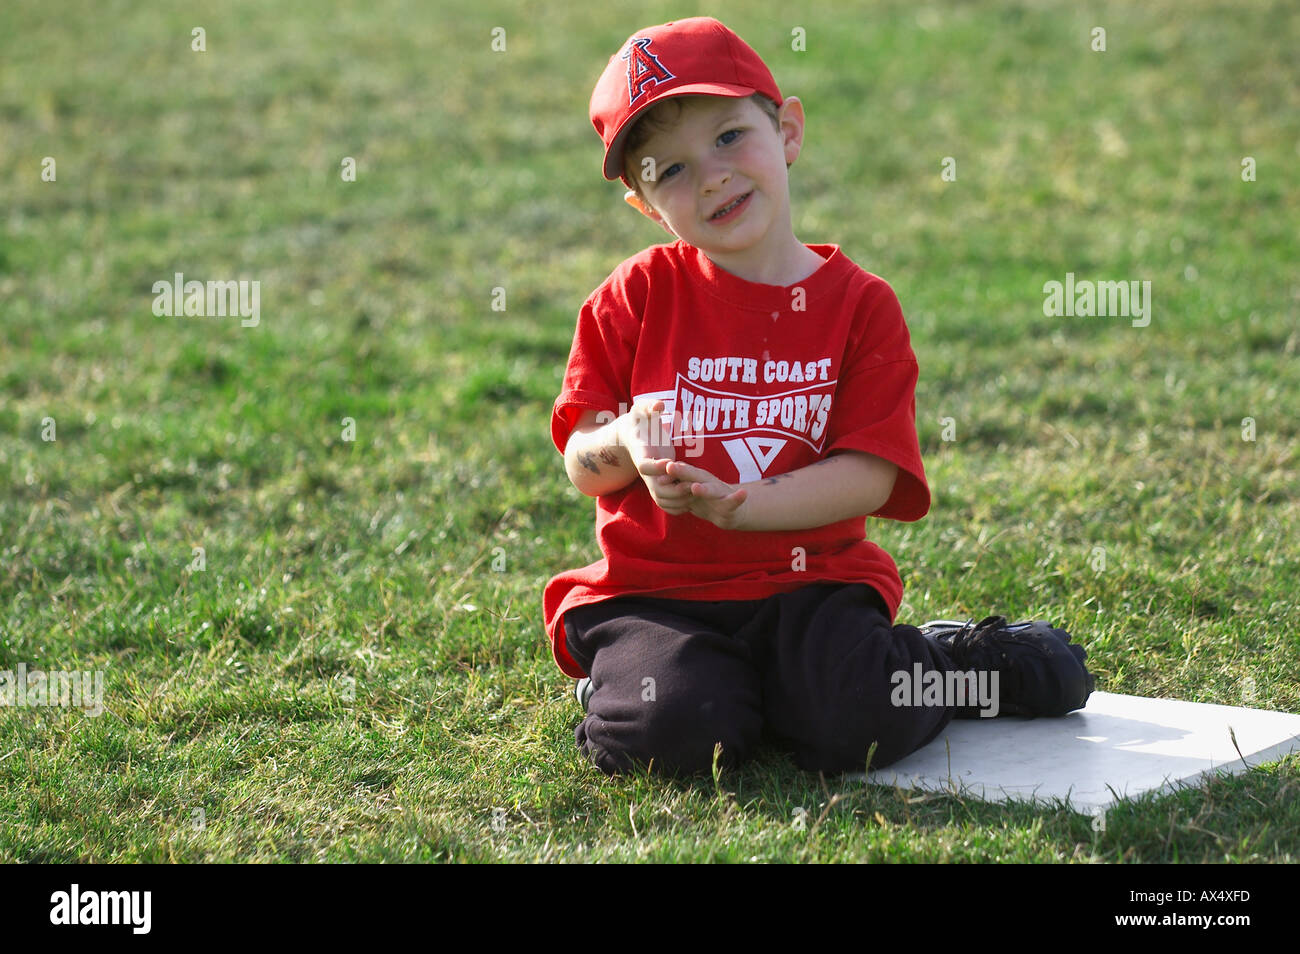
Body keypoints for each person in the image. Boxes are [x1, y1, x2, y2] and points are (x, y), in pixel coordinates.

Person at [542, 17, 1093, 777]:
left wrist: (748, 505)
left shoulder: (861, 306)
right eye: (669, 170)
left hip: (810, 584)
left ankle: (951, 660)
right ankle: (648, 685)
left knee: (858, 722)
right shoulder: (633, 297)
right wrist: (628, 442)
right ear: (643, 203)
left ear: (789, 130)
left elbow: (869, 473)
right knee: (672, 734)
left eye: (730, 137)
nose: (709, 177)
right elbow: (582, 461)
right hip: (661, 594)